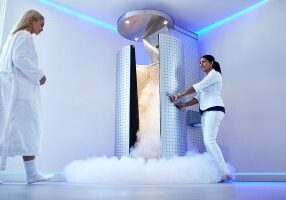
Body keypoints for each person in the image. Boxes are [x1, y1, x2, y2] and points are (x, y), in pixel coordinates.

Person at [0, 10, 53, 184]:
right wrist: (40, 75)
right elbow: (20, 58)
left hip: (14, 92)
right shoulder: (24, 35)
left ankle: (32, 174)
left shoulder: (13, 37)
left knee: (15, 132)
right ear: (32, 20)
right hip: (20, 94)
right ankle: (32, 174)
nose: (42, 29)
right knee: (28, 129)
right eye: (41, 24)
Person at [169, 55, 231, 182]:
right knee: (208, 144)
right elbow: (197, 98)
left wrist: (178, 95)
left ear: (211, 63)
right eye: (200, 62)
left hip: (214, 109)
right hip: (206, 112)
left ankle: (225, 173)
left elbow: (196, 86)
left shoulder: (215, 75)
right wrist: (183, 105)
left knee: (209, 141)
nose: (201, 64)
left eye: (204, 62)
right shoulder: (208, 79)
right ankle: (219, 173)